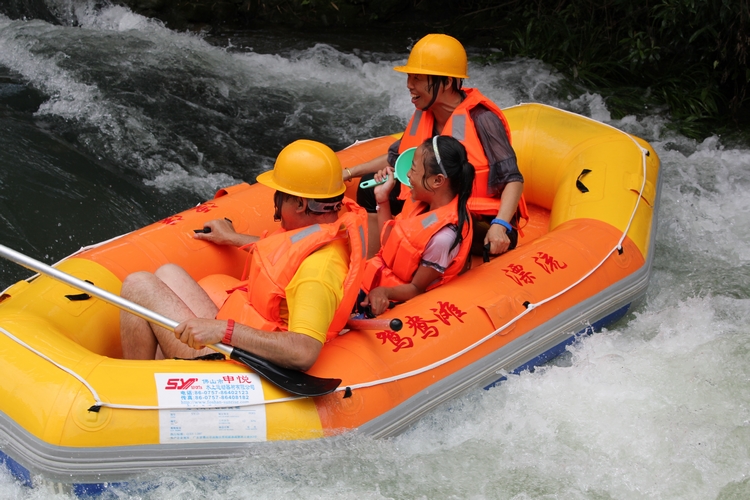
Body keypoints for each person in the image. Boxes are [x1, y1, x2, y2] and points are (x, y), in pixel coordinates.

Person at [120, 139, 367, 371]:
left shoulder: (319, 270)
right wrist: (232, 238)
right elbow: (283, 254)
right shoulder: (319, 230)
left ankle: (138, 392)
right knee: (168, 273)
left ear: (301, 204)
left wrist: (224, 331)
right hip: (241, 341)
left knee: (138, 285)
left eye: (279, 194)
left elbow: (304, 352)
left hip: (243, 365)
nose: (275, 201)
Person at [346, 33, 527, 259]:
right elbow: (397, 157)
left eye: (418, 78)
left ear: (448, 82)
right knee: (367, 187)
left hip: (476, 216)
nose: (409, 85)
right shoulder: (425, 114)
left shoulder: (482, 119)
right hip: (433, 201)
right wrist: (349, 172)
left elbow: (513, 179)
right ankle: (373, 262)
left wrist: (500, 224)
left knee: (443, 230)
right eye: (410, 77)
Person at [358, 135, 474, 316]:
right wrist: (382, 199)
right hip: (374, 281)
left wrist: (384, 292)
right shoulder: (422, 202)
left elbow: (416, 288)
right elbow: (390, 243)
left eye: (413, 168)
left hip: (397, 302)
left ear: (437, 180)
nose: (408, 175)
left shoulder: (443, 237)